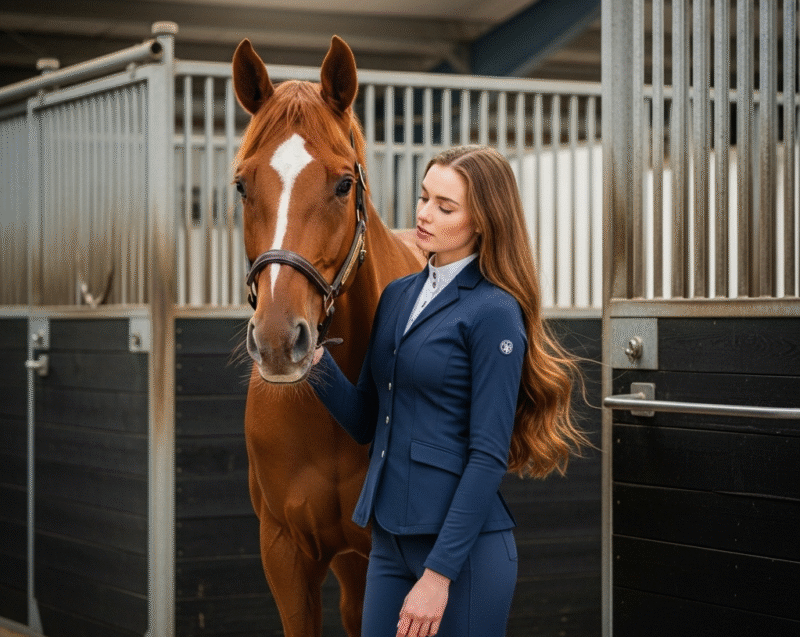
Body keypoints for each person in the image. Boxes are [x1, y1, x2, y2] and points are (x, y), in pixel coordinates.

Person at [308, 145, 588, 637]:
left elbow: (487, 455)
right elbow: (368, 421)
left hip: (462, 555)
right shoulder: (397, 296)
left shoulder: (494, 311)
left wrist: (438, 577)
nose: (423, 214)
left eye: (445, 206)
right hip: (389, 539)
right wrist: (313, 361)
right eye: (423, 197)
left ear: (482, 221)